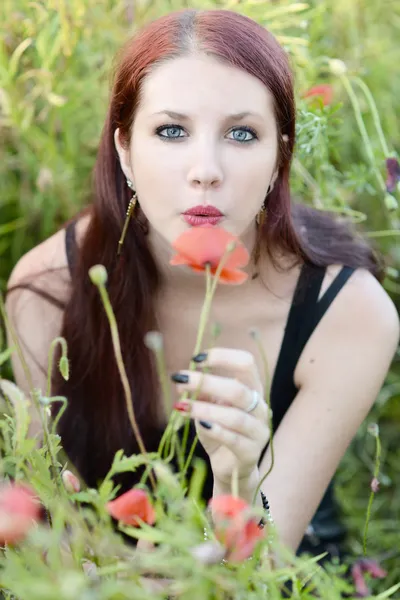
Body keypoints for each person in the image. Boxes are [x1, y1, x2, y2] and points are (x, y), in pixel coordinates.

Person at [5, 8, 399, 562]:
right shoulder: (48, 289)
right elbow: (55, 534)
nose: (206, 169)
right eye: (171, 130)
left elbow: (259, 571)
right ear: (125, 150)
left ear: (279, 154)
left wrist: (238, 481)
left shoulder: (348, 313)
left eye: (242, 133)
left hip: (274, 567)